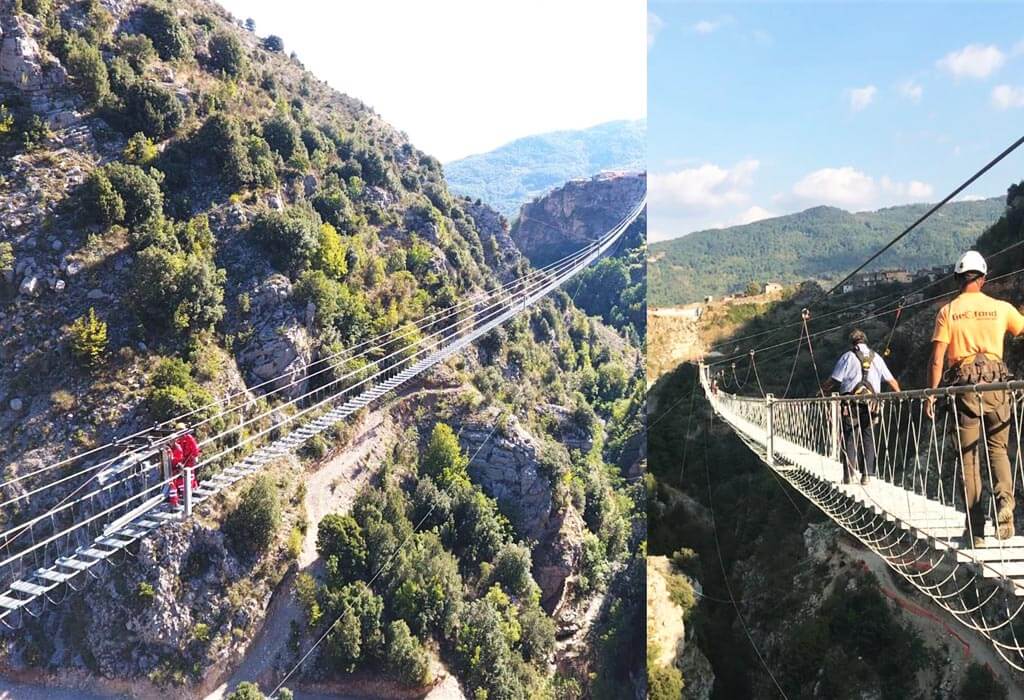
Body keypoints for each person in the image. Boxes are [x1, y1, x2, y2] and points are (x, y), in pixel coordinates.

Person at [926, 250, 1024, 547]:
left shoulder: (948, 312)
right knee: (998, 451)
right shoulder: (1001, 308)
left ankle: (976, 530)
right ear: (982, 279)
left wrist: (931, 395)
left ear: (958, 279)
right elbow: (1021, 329)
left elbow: (936, 360)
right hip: (998, 386)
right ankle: (1005, 503)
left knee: (968, 459)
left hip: (964, 389)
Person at [821, 329, 901, 485]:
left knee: (850, 438)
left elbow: (834, 380)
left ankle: (848, 476)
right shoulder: (876, 357)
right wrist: (899, 395)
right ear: (865, 341)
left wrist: (822, 390)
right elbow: (891, 380)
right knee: (868, 437)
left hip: (850, 404)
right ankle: (866, 476)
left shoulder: (847, 357)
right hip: (872, 404)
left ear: (852, 343)